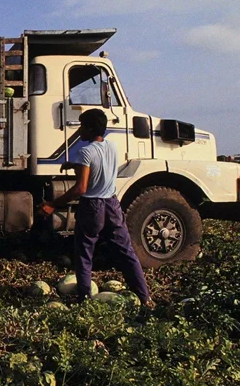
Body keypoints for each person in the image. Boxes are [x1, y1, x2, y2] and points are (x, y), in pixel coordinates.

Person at [36, 109, 155, 308]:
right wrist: (73, 165)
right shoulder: (112, 147)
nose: (80, 130)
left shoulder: (85, 151)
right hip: (112, 203)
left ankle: (85, 300)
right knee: (126, 252)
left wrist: (52, 205)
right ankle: (145, 297)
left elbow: (81, 188)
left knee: (84, 253)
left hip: (92, 207)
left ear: (90, 128)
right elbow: (99, 165)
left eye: (82, 126)